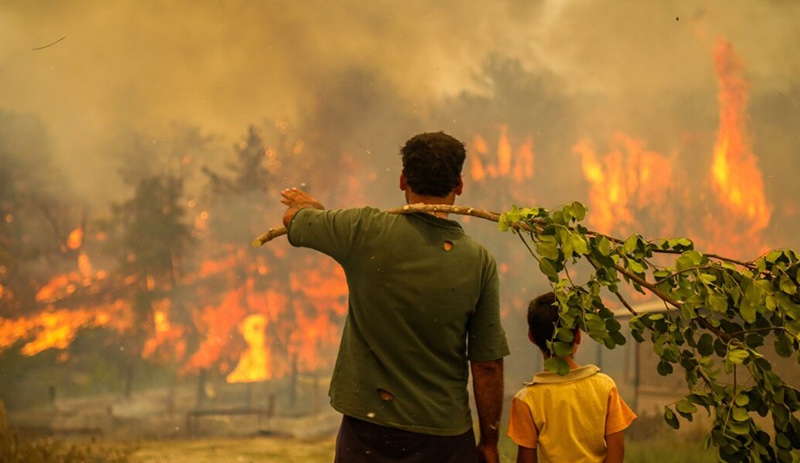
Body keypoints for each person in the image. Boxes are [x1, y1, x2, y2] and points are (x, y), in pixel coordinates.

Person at [279, 131, 510, 463]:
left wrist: (309, 208)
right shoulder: (478, 261)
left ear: (403, 180)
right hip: (443, 438)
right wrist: (489, 442)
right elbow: (487, 365)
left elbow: (293, 221)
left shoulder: (362, 230)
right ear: (459, 185)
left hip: (369, 434)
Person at [507, 292, 637, 463]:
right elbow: (617, 448)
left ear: (531, 337)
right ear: (578, 335)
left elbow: (526, 460)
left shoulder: (526, 400)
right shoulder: (604, 386)